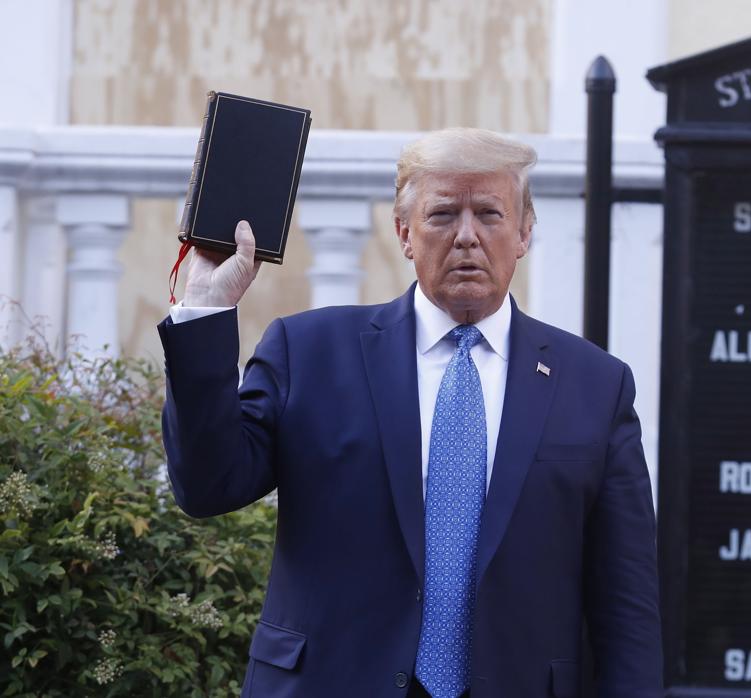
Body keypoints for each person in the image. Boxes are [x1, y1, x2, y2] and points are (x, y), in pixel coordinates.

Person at [158, 128, 662, 698]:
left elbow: (628, 607)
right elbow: (206, 485)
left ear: (523, 233)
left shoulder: (595, 384)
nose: (467, 237)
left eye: (490, 214)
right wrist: (204, 308)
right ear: (404, 233)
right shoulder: (311, 352)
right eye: (443, 214)